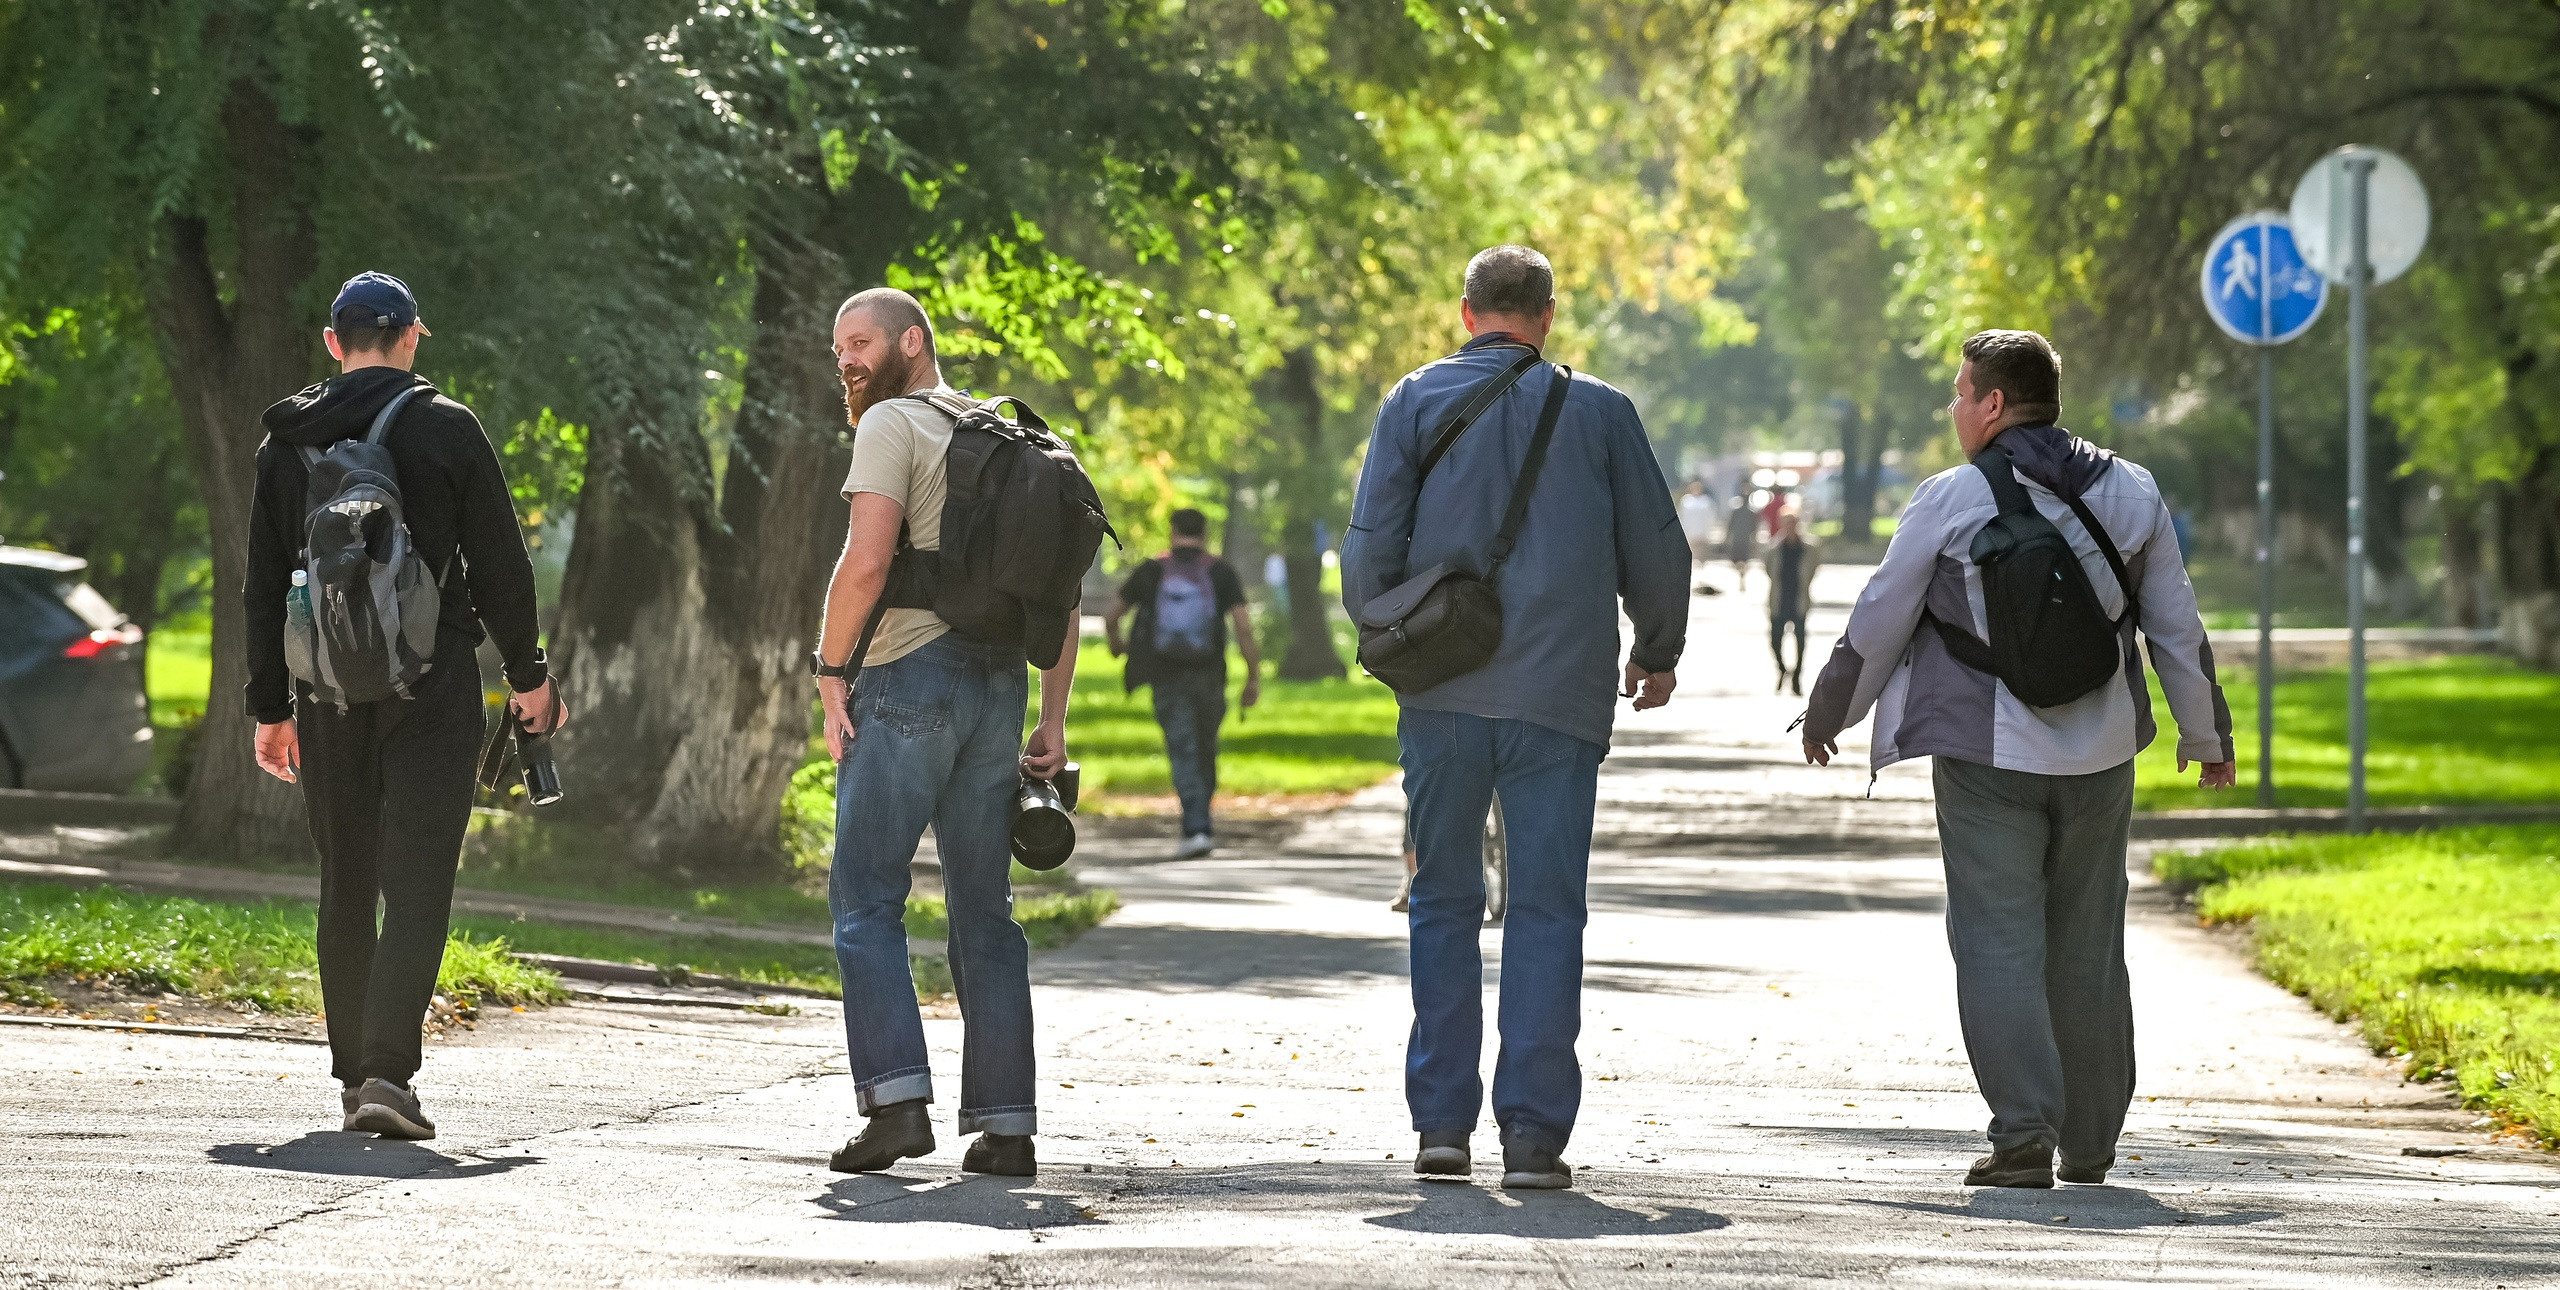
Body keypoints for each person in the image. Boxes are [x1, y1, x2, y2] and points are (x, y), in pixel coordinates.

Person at [1798, 328, 2235, 1190]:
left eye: (1960, 394)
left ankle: (2025, 1134)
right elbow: (2175, 625)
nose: (1954, 408)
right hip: (2102, 754)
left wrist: (1830, 713)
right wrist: (2204, 737)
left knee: (1997, 938)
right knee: (2088, 944)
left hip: (1986, 756)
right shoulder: (2133, 490)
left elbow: (1879, 615)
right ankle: (2093, 1142)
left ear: (1993, 403)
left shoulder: (1952, 497)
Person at [1343, 244, 1688, 1192]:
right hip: (1559, 698)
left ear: (1467, 313)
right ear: (1546, 315)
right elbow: (1658, 547)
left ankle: (1441, 1128)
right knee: (1546, 908)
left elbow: (1369, 547)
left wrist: (1389, 636)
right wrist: (1656, 650)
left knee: (1442, 899)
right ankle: (1534, 1136)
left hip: (1442, 694)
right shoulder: (1602, 412)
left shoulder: (1413, 401)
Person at [246, 271, 565, 1140]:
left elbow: (263, 585)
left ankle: (355, 1079)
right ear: (412, 336)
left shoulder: (286, 442)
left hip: (325, 693)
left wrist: (269, 707)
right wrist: (529, 674)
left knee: (345, 879)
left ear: (333, 341)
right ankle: (390, 1073)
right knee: (418, 880)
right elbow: (501, 563)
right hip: (433, 684)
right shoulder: (446, 427)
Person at [811, 288, 1079, 1180]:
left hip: (908, 679)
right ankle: (1006, 1127)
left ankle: (896, 1105)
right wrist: (1052, 717)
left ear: (912, 341)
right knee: (984, 910)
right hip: (997, 686)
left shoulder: (892, 424)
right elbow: (1061, 593)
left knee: (866, 898)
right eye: (838, 348)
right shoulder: (1007, 435)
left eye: (861, 342)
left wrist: (830, 670)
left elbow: (867, 560)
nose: (847, 360)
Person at [1102, 507, 1262, 857]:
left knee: (1182, 750)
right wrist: (1253, 677)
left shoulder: (1151, 571)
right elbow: (1243, 627)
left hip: (1166, 676)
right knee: (1205, 749)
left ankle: (1196, 828)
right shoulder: (1220, 572)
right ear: (1205, 534)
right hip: (1211, 676)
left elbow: (1112, 616)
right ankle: (1201, 823)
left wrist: (1118, 647)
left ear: (1172, 531)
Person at [1763, 508, 1820, 695]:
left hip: (1799, 599)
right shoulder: (1773, 548)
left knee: (1801, 640)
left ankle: (1796, 676)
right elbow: (1768, 570)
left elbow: (1812, 569)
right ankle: (1782, 669)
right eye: (1786, 523)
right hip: (1779, 600)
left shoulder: (1808, 548)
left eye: (1793, 523)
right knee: (1775, 640)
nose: (1790, 527)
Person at [1677, 480, 1723, 596]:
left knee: (1702, 558)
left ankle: (1702, 579)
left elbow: (1711, 517)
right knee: (1692, 557)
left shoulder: (1706, 502)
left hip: (1703, 534)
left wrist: (1710, 531)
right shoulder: (1686, 502)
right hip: (1691, 534)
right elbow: (1682, 517)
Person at [1723, 492, 1758, 590]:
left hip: (1738, 540)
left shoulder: (1738, 512)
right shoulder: (1750, 513)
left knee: (1739, 560)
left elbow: (1730, 526)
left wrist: (1727, 537)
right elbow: (1754, 528)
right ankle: (1741, 574)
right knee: (1742, 560)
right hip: (1744, 540)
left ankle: (1741, 575)